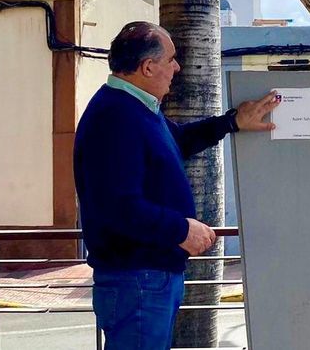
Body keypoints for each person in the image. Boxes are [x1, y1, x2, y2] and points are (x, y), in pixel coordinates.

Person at [73, 21, 279, 349]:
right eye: (171, 59)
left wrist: (232, 122)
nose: (177, 67)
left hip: (146, 278)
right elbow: (118, 206)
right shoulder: (116, 116)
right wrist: (181, 229)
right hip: (137, 279)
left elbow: (177, 140)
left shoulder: (134, 108)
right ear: (148, 67)